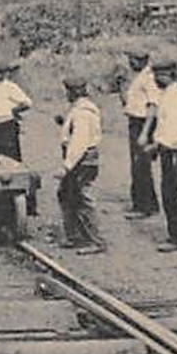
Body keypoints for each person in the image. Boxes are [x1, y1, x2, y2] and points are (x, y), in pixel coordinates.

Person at [139, 58, 177, 252]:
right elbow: (166, 129)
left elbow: (172, 135)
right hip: (175, 150)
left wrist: (155, 147)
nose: (156, 78)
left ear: (169, 75)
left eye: (159, 75)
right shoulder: (168, 94)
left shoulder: (174, 98)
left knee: (172, 195)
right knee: (176, 193)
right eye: (155, 74)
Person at [57, 72, 104, 254]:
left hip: (82, 162)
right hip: (82, 160)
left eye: (68, 91)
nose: (67, 95)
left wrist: (66, 167)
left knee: (83, 198)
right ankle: (75, 236)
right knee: (67, 195)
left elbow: (79, 142)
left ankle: (95, 241)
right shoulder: (81, 108)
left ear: (73, 92)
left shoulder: (83, 113)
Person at [118, 49, 160, 218]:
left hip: (143, 124)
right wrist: (120, 86)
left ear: (142, 60)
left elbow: (153, 106)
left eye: (132, 60)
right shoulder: (139, 76)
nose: (130, 63)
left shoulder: (149, 79)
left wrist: (145, 133)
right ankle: (150, 202)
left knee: (140, 165)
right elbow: (128, 102)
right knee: (138, 165)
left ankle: (143, 207)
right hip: (135, 122)